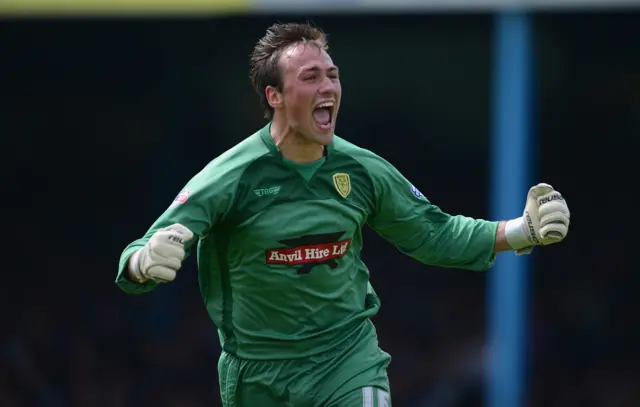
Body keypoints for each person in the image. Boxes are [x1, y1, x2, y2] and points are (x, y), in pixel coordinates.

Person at [115, 22, 570, 407]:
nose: (328, 87)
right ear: (274, 95)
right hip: (257, 375)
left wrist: (522, 230)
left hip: (345, 360)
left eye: (332, 75)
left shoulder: (362, 170)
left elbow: (434, 232)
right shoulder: (230, 177)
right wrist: (143, 262)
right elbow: (145, 250)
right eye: (311, 77)